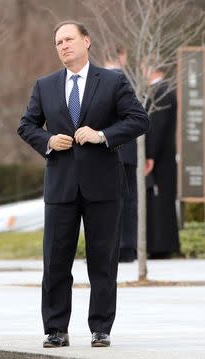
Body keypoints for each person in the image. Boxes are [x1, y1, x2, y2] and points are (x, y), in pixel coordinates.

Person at [17, 20, 149, 348]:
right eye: (58, 42)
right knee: (56, 260)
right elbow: (26, 125)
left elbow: (138, 119)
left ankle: (101, 328)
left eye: (69, 39)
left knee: (102, 261)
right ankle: (55, 329)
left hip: (104, 186)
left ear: (86, 41)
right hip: (61, 186)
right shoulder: (45, 85)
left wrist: (102, 135)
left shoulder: (113, 81)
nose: (63, 46)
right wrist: (48, 141)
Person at [104, 46, 138, 262]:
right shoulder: (127, 80)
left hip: (104, 149)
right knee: (127, 201)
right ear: (122, 56)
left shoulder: (96, 80)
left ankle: (110, 248)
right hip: (126, 150)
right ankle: (126, 247)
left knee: (103, 202)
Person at [144, 67, 179, 258]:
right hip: (163, 158)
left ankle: (161, 247)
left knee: (159, 202)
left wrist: (150, 156)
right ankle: (160, 246)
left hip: (161, 160)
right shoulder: (161, 91)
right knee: (159, 202)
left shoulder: (161, 92)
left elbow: (156, 127)